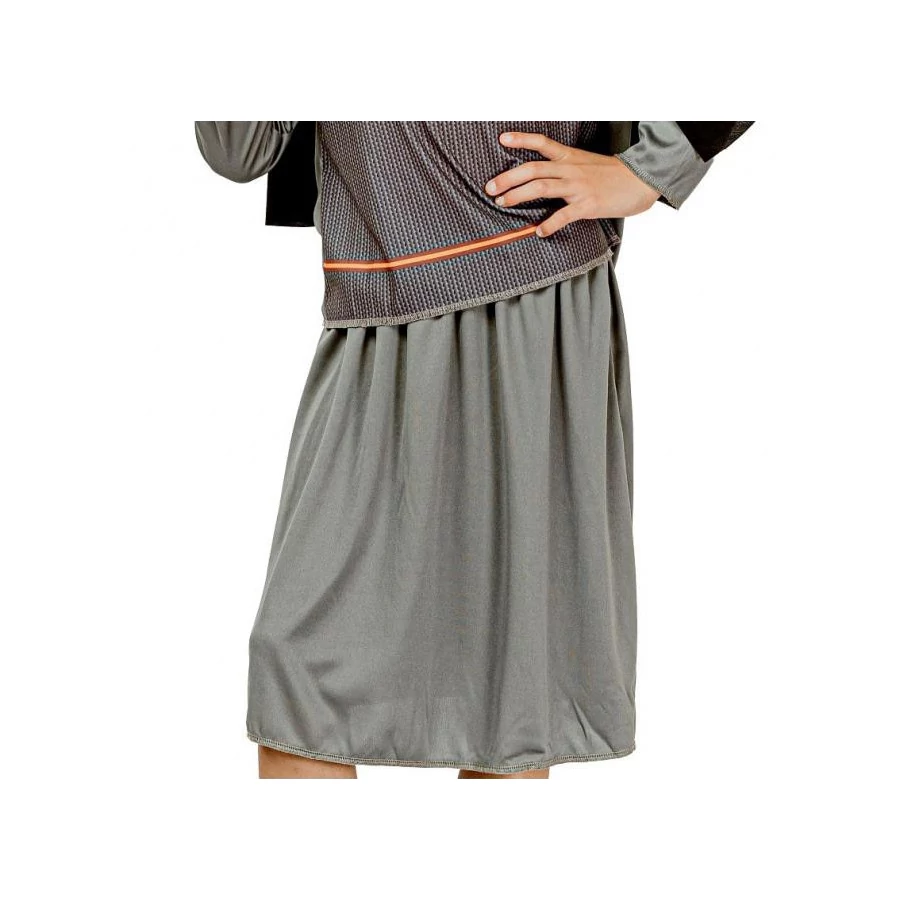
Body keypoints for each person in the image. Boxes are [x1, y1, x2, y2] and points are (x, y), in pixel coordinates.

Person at [195, 120, 752, 779]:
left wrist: (654, 166)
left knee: (507, 697)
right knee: (295, 670)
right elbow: (237, 150)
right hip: (373, 289)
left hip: (531, 278)